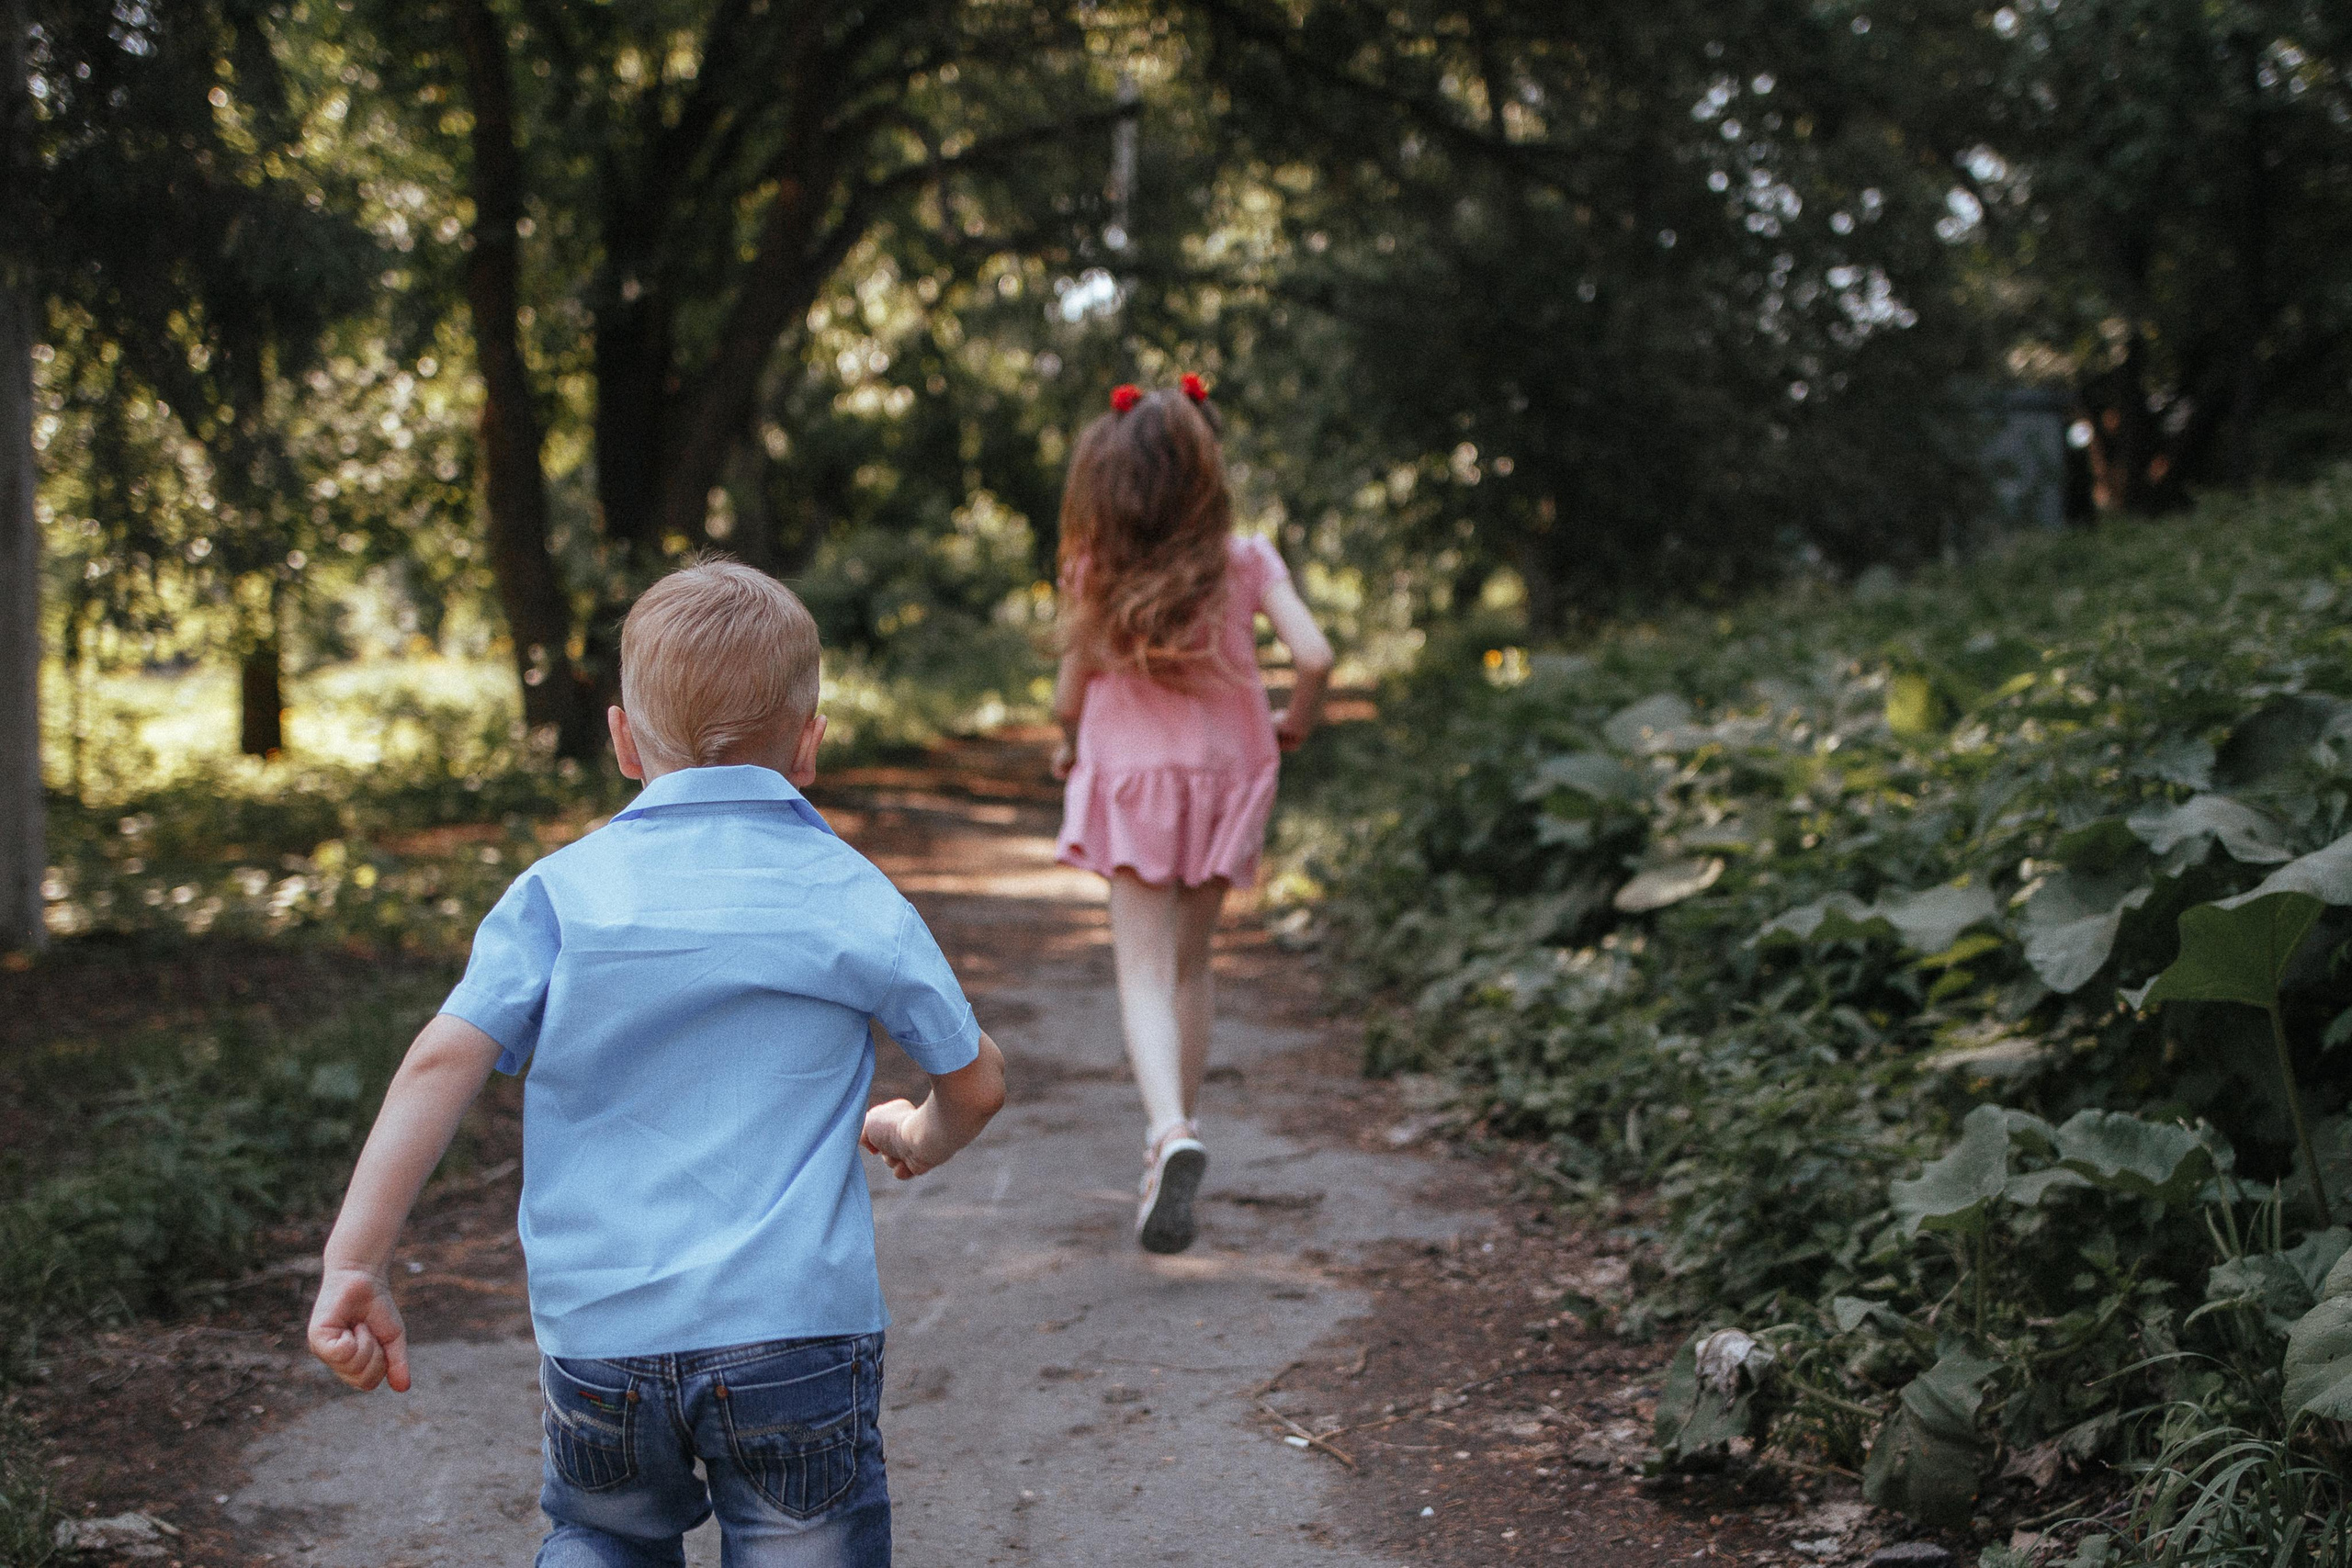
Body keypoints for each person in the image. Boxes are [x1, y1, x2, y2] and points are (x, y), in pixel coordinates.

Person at [305, 560, 1007, 1568]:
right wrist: (912, 1132)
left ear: (624, 743)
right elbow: (975, 1080)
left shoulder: (558, 893)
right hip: (796, 1335)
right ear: (809, 746)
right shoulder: (849, 893)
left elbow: (438, 1063)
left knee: (600, 1537)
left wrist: (354, 1262)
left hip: (601, 1340)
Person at [1050, 375, 1334, 1255]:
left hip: (1135, 774)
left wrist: (1066, 742)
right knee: (1192, 964)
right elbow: (1315, 653)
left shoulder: (1096, 566)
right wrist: (1293, 720)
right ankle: (1171, 1137)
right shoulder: (1247, 558)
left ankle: (1169, 1130)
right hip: (1228, 772)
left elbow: (1071, 688)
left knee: (1139, 966)